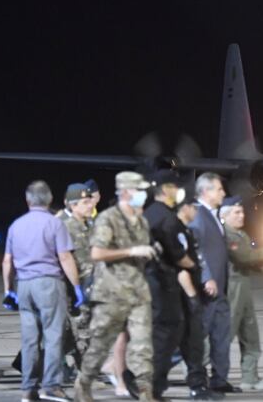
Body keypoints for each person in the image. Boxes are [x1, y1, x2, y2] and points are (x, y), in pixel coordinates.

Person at [73, 171, 158, 402]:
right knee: (100, 345)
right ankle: (83, 384)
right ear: (126, 192)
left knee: (142, 344)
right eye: (138, 190)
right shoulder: (107, 218)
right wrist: (130, 251)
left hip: (137, 291)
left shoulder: (140, 220)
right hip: (111, 292)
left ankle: (145, 393)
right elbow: (97, 253)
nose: (142, 195)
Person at [3, 180, 84, 402]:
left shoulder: (16, 225)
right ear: (48, 200)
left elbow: (7, 261)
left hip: (24, 285)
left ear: (27, 200)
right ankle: (51, 386)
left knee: (30, 339)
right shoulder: (54, 224)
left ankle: (28, 389)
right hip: (48, 283)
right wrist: (76, 287)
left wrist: (9, 290)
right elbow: (65, 257)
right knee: (53, 336)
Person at [143, 170, 195, 399]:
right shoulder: (167, 217)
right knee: (167, 335)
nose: (178, 191)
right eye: (175, 187)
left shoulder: (148, 214)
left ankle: (149, 385)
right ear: (165, 190)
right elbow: (177, 253)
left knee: (157, 334)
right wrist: (195, 267)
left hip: (149, 281)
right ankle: (153, 387)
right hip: (163, 284)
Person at [188, 173, 239, 393]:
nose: (223, 193)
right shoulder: (198, 215)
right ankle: (197, 383)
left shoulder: (213, 215)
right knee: (199, 338)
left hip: (220, 288)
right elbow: (195, 249)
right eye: (219, 189)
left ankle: (219, 379)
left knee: (221, 336)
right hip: (207, 289)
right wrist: (206, 276)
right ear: (206, 191)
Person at [220, 196, 263, 392]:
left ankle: (250, 378)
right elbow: (244, 256)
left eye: (242, 211)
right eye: (236, 212)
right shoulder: (227, 235)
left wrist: (259, 263)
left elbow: (249, 259)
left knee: (250, 333)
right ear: (224, 216)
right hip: (233, 287)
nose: (242, 215)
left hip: (243, 284)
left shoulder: (240, 234)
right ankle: (194, 369)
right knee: (226, 333)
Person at [174, 198, 223, 400]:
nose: (196, 211)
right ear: (184, 208)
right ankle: (137, 378)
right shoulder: (174, 232)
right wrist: (192, 296)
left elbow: (198, 259)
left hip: (190, 293)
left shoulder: (186, 231)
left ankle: (198, 386)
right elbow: (180, 266)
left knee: (193, 342)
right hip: (178, 295)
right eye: (193, 208)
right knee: (171, 342)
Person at [59, 184, 96, 363]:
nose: (90, 205)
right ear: (72, 205)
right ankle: (85, 376)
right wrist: (74, 289)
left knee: (85, 334)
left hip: (91, 286)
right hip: (74, 290)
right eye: (85, 202)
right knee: (80, 334)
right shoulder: (64, 226)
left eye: (90, 201)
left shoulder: (89, 225)